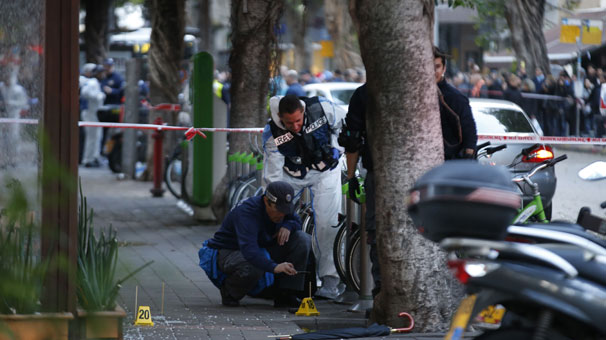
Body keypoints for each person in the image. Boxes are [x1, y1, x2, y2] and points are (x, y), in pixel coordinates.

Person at [262, 94, 346, 299]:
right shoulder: (275, 134)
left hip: (326, 170)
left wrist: (337, 149)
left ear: (303, 112)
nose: (296, 127)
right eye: (289, 123)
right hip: (293, 174)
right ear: (281, 118)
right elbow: (272, 175)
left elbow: (345, 127)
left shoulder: (323, 110)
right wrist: (276, 206)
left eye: (298, 121)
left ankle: (330, 281)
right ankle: (272, 277)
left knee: (327, 223)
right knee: (271, 215)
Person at [203, 181, 311, 308]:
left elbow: (295, 220)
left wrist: (288, 226)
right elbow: (250, 250)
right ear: (266, 201)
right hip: (230, 251)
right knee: (253, 265)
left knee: (302, 239)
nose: (282, 215)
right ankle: (230, 292)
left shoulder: (282, 209)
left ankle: (285, 294)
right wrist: (274, 267)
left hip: (262, 247)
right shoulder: (247, 213)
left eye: (285, 211)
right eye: (278, 210)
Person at [337, 83, 381, 297]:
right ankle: (379, 292)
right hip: (377, 173)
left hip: (377, 173)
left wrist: (352, 174)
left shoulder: (363, 94)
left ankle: (379, 292)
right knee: (375, 232)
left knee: (376, 232)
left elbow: (352, 138)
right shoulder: (363, 94)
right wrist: (351, 175)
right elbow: (352, 137)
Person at [433, 46, 478, 160]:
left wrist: (468, 155)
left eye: (437, 67)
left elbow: (469, 129)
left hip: (451, 161)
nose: (433, 71)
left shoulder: (456, 98)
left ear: (444, 68)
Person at [79, 63, 105, 167]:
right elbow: (84, 93)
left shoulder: (95, 82)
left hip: (95, 113)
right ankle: (87, 160)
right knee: (91, 137)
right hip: (90, 113)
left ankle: (94, 157)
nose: (102, 74)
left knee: (97, 136)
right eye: (100, 72)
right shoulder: (92, 82)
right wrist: (99, 96)